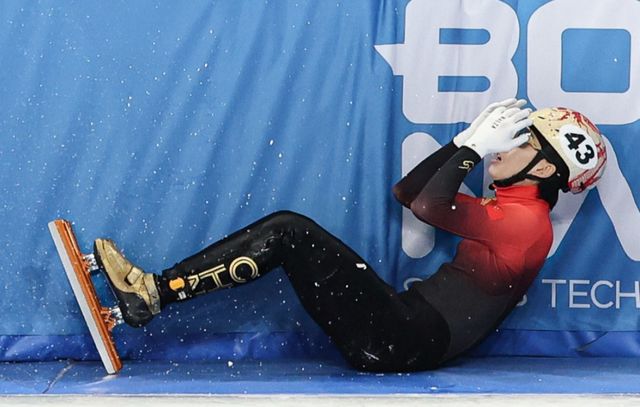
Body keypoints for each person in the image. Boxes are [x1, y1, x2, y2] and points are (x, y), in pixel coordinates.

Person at [94, 99, 607, 372]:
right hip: (402, 330)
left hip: (402, 342)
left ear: (545, 169)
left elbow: (428, 206)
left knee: (290, 231)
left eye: (521, 142)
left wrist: (471, 151)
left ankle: (150, 295)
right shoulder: (513, 209)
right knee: (291, 233)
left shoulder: (527, 224)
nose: (505, 145)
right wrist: (460, 142)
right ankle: (151, 294)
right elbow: (408, 193)